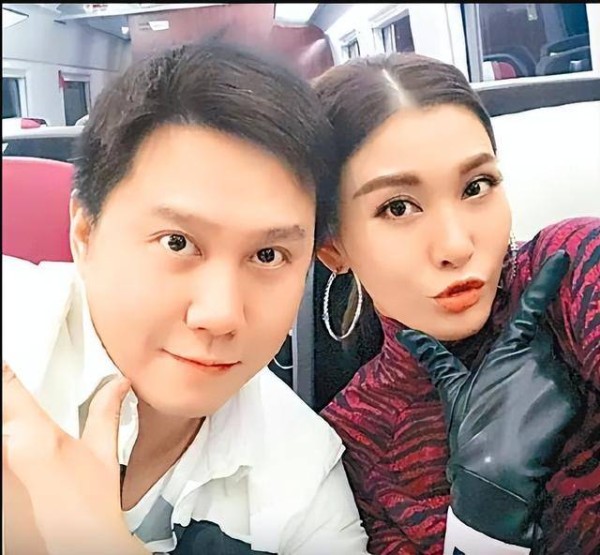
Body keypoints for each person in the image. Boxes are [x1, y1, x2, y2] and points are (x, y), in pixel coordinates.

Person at [2, 39, 370, 555]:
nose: (220, 315)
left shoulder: (303, 477)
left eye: (268, 256)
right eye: (177, 243)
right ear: (85, 232)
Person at [312, 52, 599, 555]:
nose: (456, 246)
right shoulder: (357, 441)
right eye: (398, 207)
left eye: (476, 187)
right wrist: (483, 523)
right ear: (334, 248)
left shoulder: (574, 269)